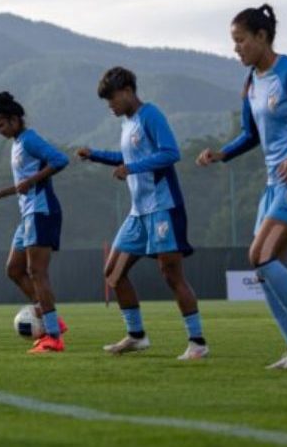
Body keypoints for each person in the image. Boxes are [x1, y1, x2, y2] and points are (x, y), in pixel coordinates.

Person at [196, 4, 287, 370]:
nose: (236, 48)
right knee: (261, 268)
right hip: (274, 184)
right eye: (233, 42)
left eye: (240, 40)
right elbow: (250, 134)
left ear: (261, 37)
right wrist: (221, 154)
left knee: (261, 256)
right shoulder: (251, 83)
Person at [76, 67, 207, 359]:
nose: (110, 105)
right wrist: (95, 155)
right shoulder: (128, 123)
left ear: (126, 91)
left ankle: (198, 342)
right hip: (138, 212)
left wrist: (132, 168)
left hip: (162, 207)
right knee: (113, 272)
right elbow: (128, 158)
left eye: (111, 99)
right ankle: (136, 336)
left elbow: (171, 153)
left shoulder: (151, 115)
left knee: (171, 274)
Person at [0, 92, 69, 354]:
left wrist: (33, 181)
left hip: (41, 211)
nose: (0, 130)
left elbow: (60, 160)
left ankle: (53, 336)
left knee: (36, 272)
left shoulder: (30, 139)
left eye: (2, 124)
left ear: (16, 120)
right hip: (28, 214)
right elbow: (23, 185)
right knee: (13, 269)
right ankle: (51, 317)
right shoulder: (17, 143)